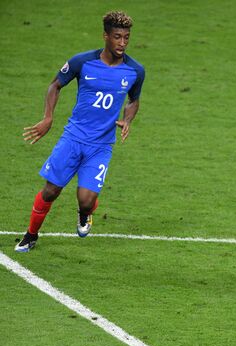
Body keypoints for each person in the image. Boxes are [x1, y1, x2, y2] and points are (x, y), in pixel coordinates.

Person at [15, 11, 145, 252]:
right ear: (105, 36)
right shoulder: (81, 62)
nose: (123, 43)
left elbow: (134, 100)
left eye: (127, 38)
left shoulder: (135, 71)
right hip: (73, 139)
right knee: (51, 190)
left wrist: (128, 119)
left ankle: (85, 215)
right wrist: (48, 117)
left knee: (86, 201)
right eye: (117, 37)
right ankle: (31, 234)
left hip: (101, 146)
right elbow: (55, 85)